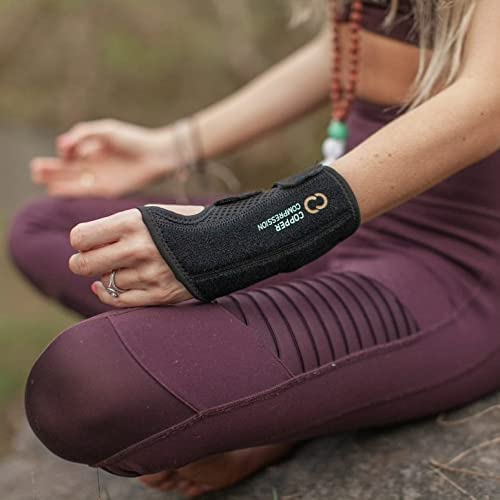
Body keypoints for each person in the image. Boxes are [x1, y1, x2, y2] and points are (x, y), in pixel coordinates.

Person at [8, 0, 500, 497]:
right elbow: (350, 42)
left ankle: (285, 402)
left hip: (454, 273)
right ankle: (280, 394)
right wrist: (171, 146)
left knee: (86, 385)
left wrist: (232, 240)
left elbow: (489, 98)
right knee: (47, 229)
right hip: (345, 230)